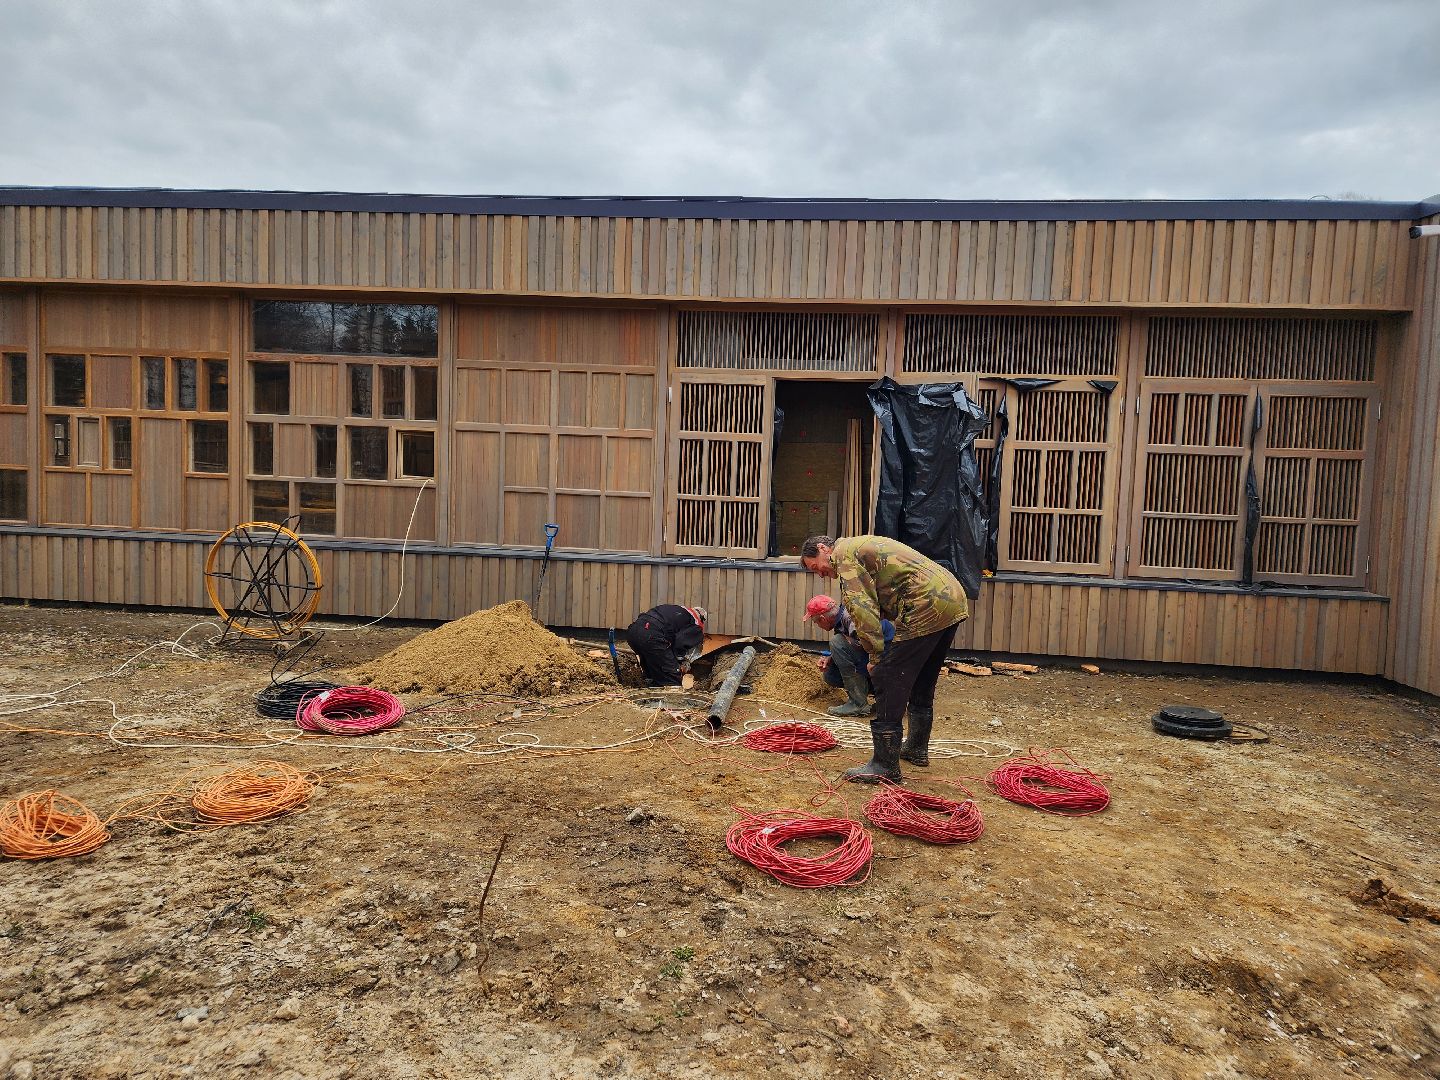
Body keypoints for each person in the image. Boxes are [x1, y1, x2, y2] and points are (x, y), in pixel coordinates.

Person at [800, 534, 968, 783]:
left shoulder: (844, 556)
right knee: (923, 677)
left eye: (817, 567)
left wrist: (876, 656)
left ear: (824, 549)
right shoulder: (859, 546)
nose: (821, 574)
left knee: (888, 676)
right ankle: (916, 748)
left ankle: (884, 764)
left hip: (925, 603)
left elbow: (863, 611)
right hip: (950, 597)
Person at [801, 594, 894, 718]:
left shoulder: (851, 619)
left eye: (816, 622)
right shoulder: (842, 617)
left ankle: (859, 704)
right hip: (883, 658)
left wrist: (837, 651)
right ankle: (885, 699)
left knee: (837, 642)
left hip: (890, 662)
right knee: (831, 675)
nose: (818, 626)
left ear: (823, 618)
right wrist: (830, 658)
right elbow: (855, 648)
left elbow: (871, 646)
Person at [625, 603, 708, 687]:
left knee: (652, 665)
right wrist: (678, 662)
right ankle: (670, 696)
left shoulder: (674, 610)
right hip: (652, 636)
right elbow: (680, 643)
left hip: (633, 632)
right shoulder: (695, 623)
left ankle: (650, 685)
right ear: (702, 618)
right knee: (671, 678)